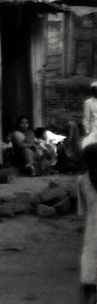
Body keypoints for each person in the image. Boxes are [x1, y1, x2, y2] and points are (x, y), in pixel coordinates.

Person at [78, 143, 97, 304]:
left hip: (92, 229)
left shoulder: (82, 180)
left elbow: (82, 209)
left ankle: (89, 295)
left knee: (90, 261)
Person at [84, 81, 97, 148]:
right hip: (94, 127)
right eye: (95, 90)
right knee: (86, 143)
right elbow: (86, 118)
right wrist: (87, 131)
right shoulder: (88, 102)